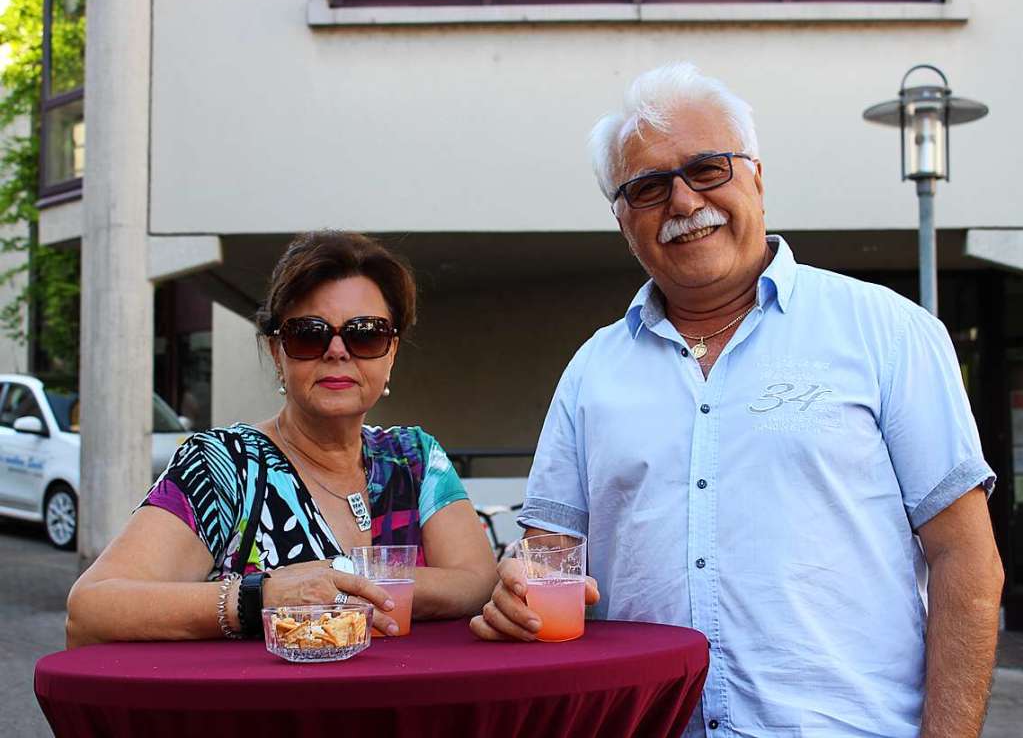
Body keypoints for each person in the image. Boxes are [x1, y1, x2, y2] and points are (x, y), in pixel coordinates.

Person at [471, 63, 1004, 738]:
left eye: (707, 169)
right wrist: (515, 586)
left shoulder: (887, 333)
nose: (685, 203)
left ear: (756, 173)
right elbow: (547, 555)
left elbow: (964, 556)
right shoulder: (590, 372)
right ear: (620, 217)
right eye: (647, 187)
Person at [67, 230, 497, 646]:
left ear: (391, 352)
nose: (337, 351)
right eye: (309, 334)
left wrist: (336, 579)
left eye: (365, 333)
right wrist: (262, 597)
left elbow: (477, 583)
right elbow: (93, 606)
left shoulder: (415, 458)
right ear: (277, 352)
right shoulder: (224, 466)